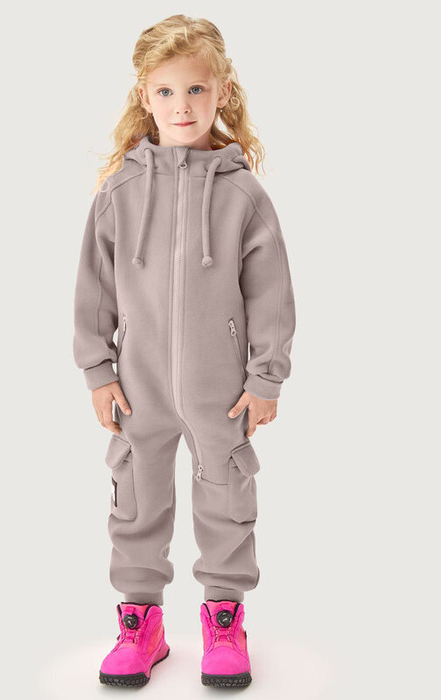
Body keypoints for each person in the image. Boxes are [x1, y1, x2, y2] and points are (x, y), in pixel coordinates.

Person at [73, 14, 296, 688]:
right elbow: (93, 287)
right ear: (144, 96)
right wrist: (98, 369)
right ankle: (140, 623)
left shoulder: (242, 194)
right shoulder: (119, 191)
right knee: (136, 499)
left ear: (222, 91)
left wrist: (265, 377)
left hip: (220, 388)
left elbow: (270, 294)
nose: (181, 106)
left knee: (225, 497)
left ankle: (224, 620)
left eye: (196, 90)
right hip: (137, 385)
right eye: (166, 91)